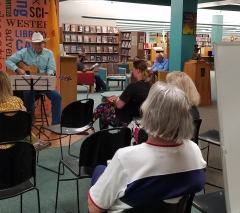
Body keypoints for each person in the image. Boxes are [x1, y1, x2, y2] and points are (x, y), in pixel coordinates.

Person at [88, 82, 206, 213]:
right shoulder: (194, 151)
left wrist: (103, 179)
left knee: (99, 170)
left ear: (148, 114)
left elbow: (94, 208)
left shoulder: (125, 158)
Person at [0, 71, 50, 151]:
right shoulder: (15, 101)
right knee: (20, 123)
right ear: (8, 84)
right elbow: (24, 120)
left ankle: (33, 142)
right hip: (12, 137)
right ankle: (34, 142)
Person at [6, 32, 62, 125]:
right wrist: (18, 69)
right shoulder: (24, 52)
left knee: (57, 97)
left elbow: (51, 68)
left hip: (43, 82)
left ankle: (56, 124)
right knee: (28, 92)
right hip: (28, 83)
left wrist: (49, 74)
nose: (38, 46)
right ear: (32, 44)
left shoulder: (49, 53)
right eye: (35, 44)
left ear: (44, 43)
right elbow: (8, 61)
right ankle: (30, 115)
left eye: (40, 43)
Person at [93, 60, 152, 130]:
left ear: (138, 70)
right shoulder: (151, 86)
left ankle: (99, 133)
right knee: (106, 103)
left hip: (126, 120)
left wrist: (117, 99)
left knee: (103, 113)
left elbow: (119, 105)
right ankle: (89, 123)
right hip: (142, 117)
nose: (132, 71)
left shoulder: (132, 86)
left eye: (133, 69)